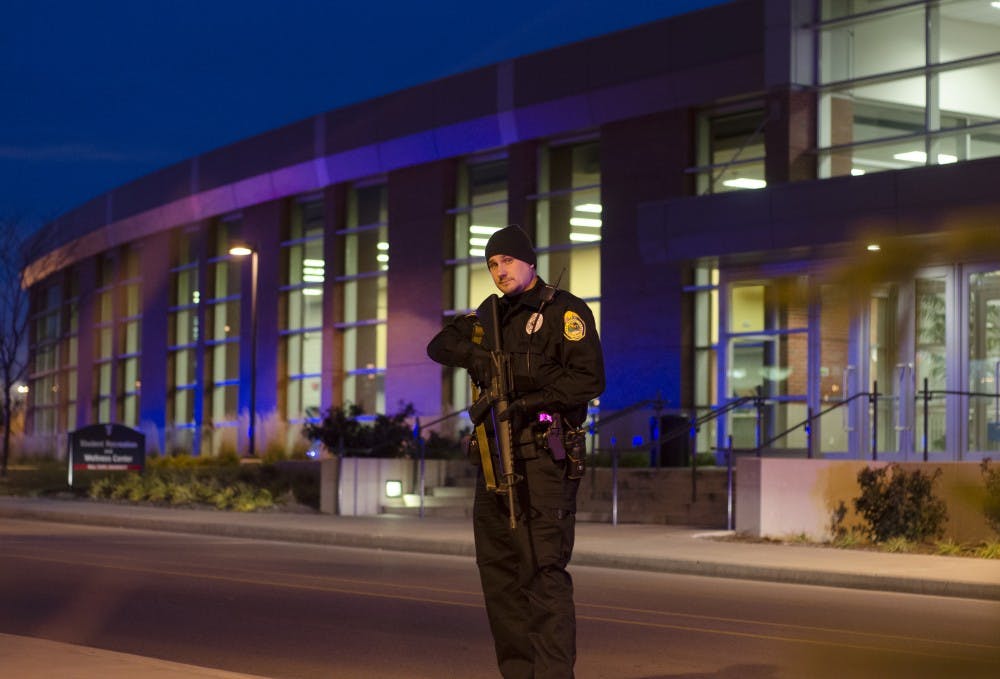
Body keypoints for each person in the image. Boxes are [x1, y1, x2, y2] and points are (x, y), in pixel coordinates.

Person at [426, 224, 605, 678]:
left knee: (543, 575)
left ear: (529, 262)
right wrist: (481, 359)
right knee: (500, 580)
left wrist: (526, 397)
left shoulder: (565, 311)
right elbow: (440, 344)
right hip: (494, 463)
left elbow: (589, 380)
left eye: (506, 261)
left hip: (544, 460)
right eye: (492, 264)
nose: (499, 271)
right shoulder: (489, 318)